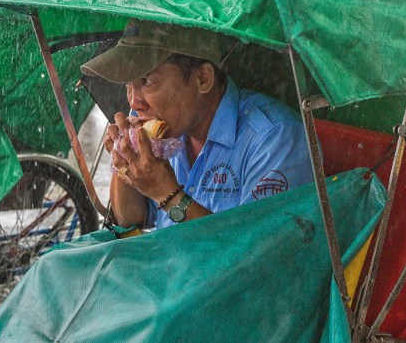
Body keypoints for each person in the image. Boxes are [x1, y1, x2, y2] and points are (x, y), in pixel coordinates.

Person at [80, 18, 315, 230]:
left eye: (147, 81)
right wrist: (125, 160)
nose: (134, 102)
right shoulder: (170, 127)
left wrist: (167, 193)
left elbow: (254, 257)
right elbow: (130, 222)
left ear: (203, 79)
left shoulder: (275, 137)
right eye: (128, 86)